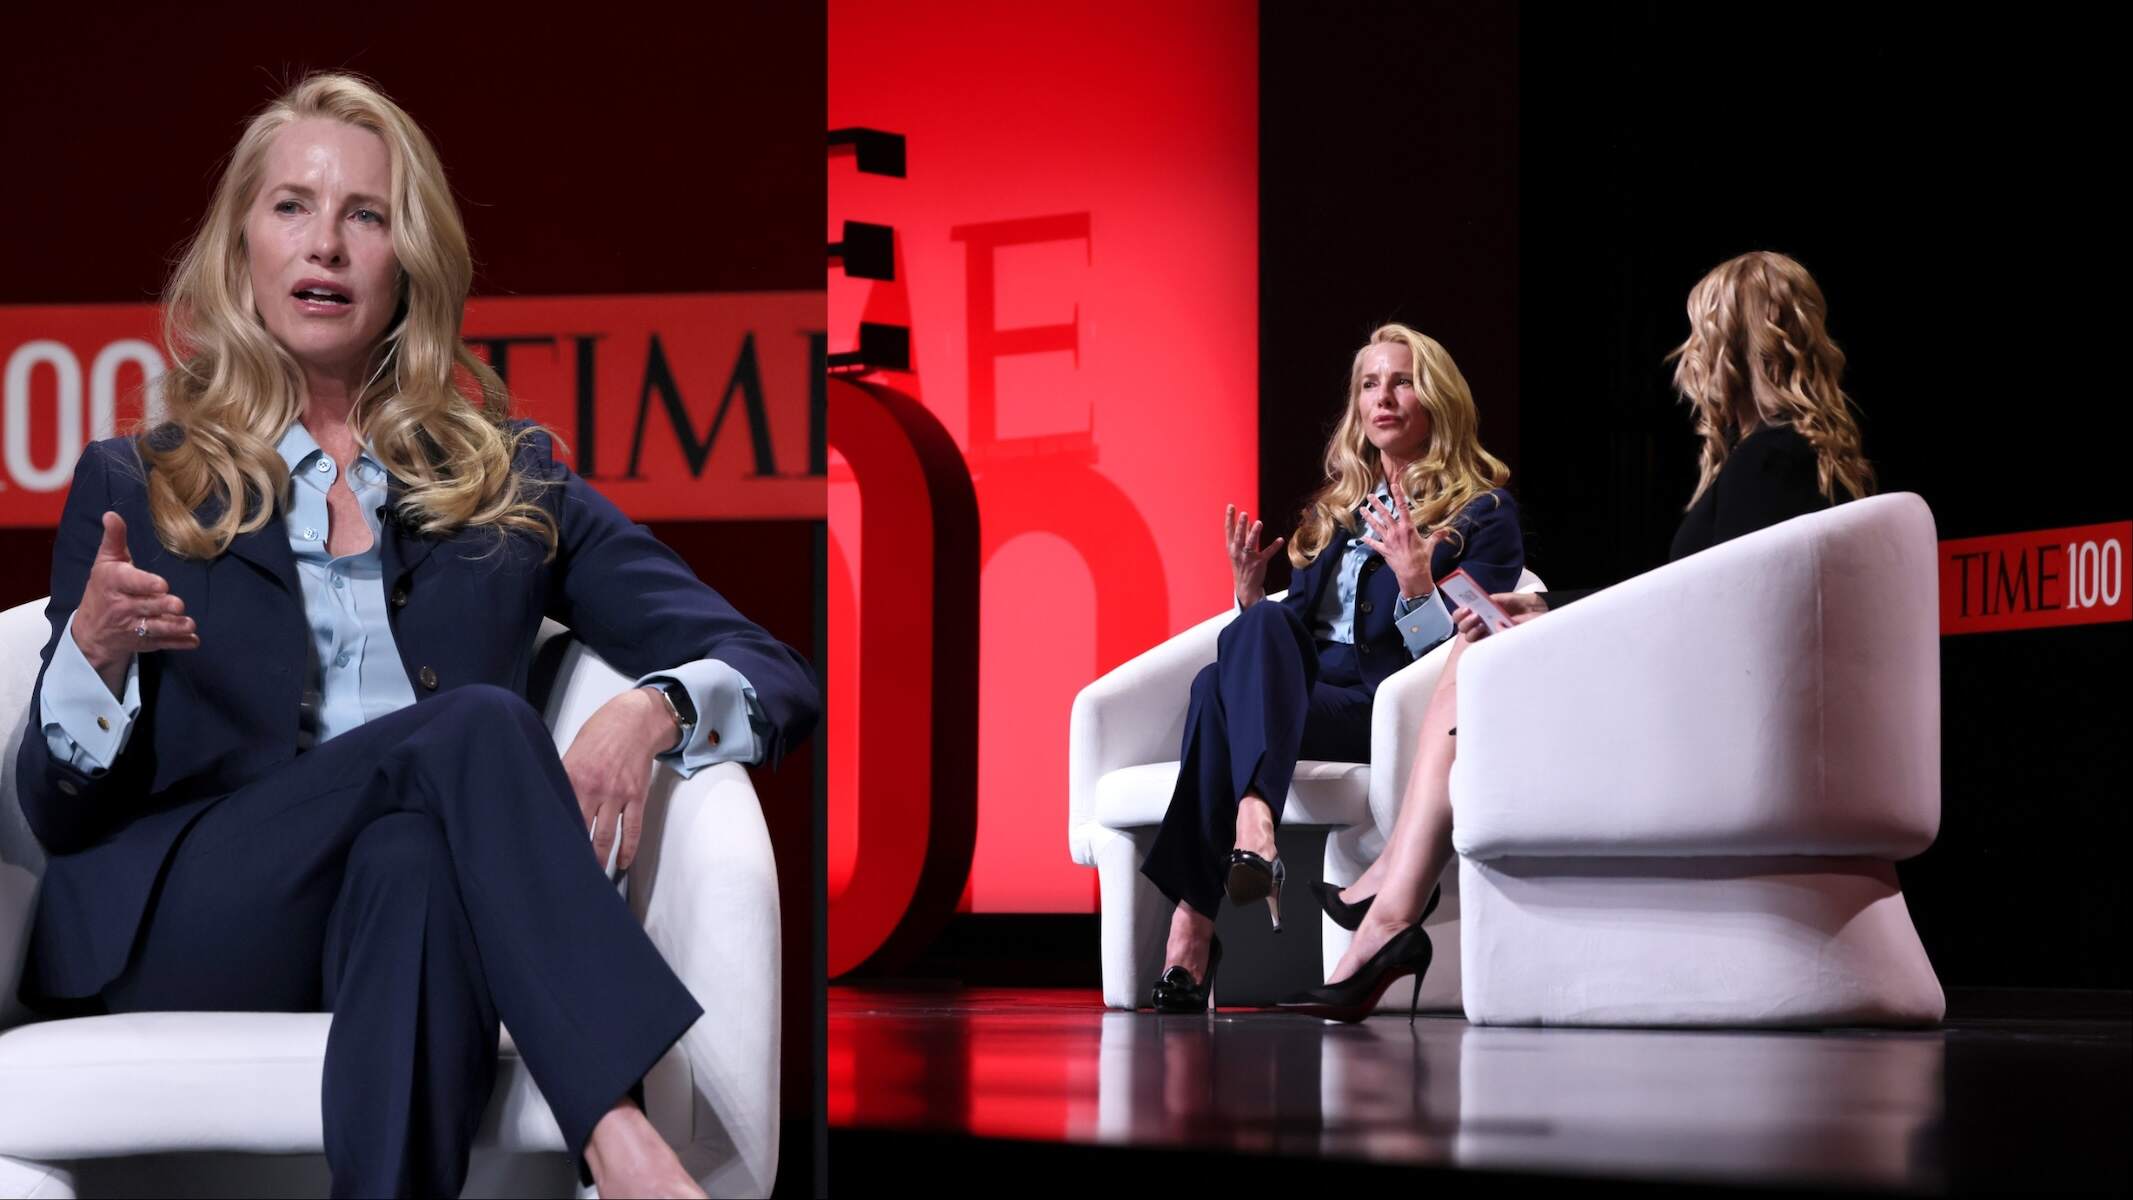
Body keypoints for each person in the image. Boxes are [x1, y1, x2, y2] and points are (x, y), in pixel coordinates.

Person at [11, 74, 819, 1197]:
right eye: (292, 206)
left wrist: (653, 709)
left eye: (366, 214)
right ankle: (626, 1141)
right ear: (241, 244)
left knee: (415, 856)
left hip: (394, 905)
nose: (326, 245)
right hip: (196, 916)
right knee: (477, 729)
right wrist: (91, 660)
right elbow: (55, 807)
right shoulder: (142, 483)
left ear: (411, 259)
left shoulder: (507, 482)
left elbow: (771, 668)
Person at [1283, 250, 1876, 1021]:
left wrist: (1550, 615)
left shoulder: (1771, 464)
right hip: (1712, 686)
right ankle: (1392, 899)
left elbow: (1708, 611)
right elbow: (1697, 598)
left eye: (1699, 339)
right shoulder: (1809, 458)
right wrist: (1552, 610)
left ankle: (1392, 900)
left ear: (1732, 349)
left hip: (1706, 708)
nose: (1688, 361)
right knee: (1478, 650)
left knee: (1471, 656)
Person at [1139, 323, 1523, 1013]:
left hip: (1387, 709)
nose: (1384, 397)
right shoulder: (1334, 512)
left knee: (1211, 691)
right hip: (1311, 695)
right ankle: (1247, 834)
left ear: (1436, 398)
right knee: (1247, 640)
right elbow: (1288, 640)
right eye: (1369, 384)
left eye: (1401, 381)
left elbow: (1476, 650)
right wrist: (1251, 596)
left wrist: (1414, 586)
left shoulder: (1483, 512)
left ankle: (1193, 924)